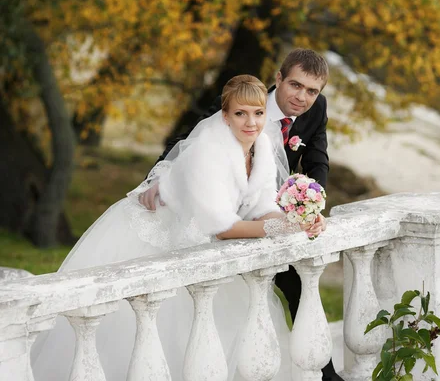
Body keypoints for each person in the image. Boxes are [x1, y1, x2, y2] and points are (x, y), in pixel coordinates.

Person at [31, 75, 324, 380]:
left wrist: (301, 220)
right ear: (225, 116)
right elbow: (223, 228)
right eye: (240, 113)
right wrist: (283, 229)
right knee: (146, 332)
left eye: (258, 113)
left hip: (199, 237)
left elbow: (262, 207)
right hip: (154, 235)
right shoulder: (209, 150)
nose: (251, 122)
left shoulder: (261, 146)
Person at [140, 48, 342, 381]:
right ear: (278, 80)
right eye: (295, 86)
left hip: (258, 205)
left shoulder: (305, 116)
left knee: (292, 286)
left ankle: (325, 372)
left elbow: (317, 158)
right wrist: (161, 180)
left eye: (312, 90)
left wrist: (309, 208)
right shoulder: (233, 109)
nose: (302, 97)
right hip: (212, 216)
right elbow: (187, 144)